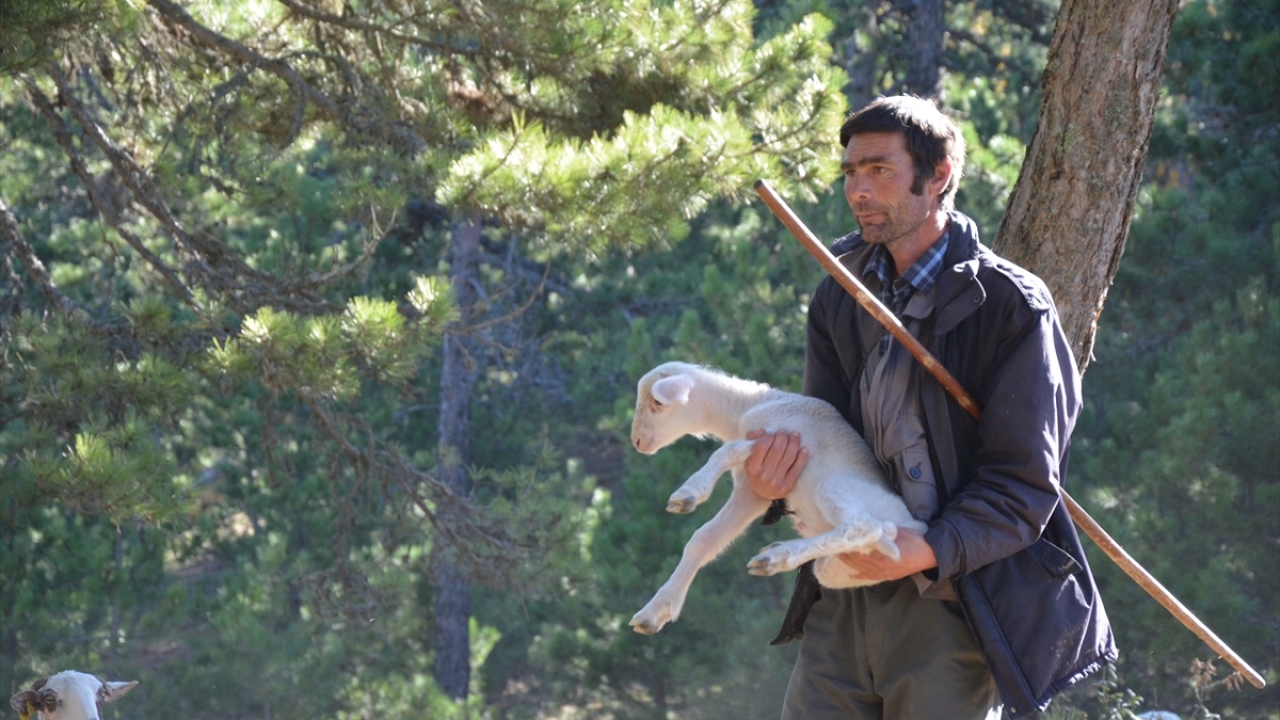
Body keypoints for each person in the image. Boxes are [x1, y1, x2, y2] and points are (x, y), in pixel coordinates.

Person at [744, 95, 1117, 720]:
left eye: (879, 170)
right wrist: (774, 485)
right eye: (850, 173)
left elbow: (1023, 484)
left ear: (938, 175)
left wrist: (926, 549)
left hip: (950, 599)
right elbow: (822, 435)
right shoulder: (840, 291)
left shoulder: (1011, 306)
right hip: (841, 589)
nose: (858, 190)